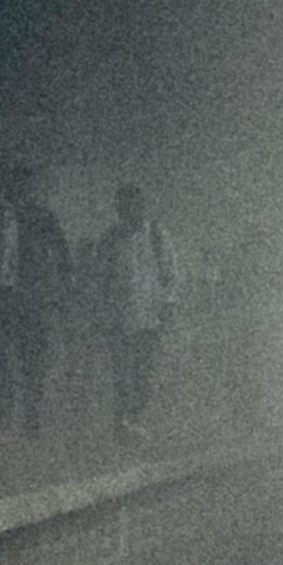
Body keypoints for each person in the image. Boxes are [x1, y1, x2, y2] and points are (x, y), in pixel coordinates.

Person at [0, 165, 74, 437]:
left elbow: (62, 253)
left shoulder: (42, 217)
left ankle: (31, 416)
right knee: (0, 355)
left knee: (33, 357)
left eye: (23, 187)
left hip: (32, 295)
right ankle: (3, 414)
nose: (18, 192)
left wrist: (60, 290)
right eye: (12, 186)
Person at [104, 180, 178, 436]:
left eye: (135, 206)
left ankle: (134, 417)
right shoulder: (110, 239)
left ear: (142, 207)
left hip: (151, 320)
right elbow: (100, 279)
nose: (130, 212)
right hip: (120, 319)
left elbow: (171, 274)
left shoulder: (157, 236)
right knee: (123, 375)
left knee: (146, 377)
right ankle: (124, 422)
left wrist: (168, 305)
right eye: (124, 207)